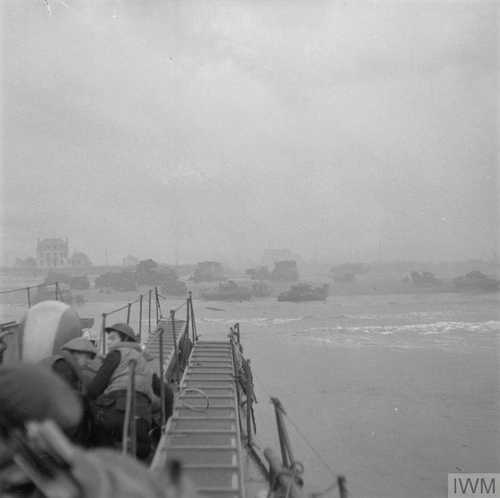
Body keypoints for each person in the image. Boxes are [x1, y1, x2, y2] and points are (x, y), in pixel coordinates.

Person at [88, 323, 165, 459]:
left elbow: (94, 390)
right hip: (141, 418)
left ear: (125, 340)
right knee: (140, 452)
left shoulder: (117, 353)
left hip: (113, 413)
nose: (108, 342)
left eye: (112, 338)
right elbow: (166, 394)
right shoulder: (146, 361)